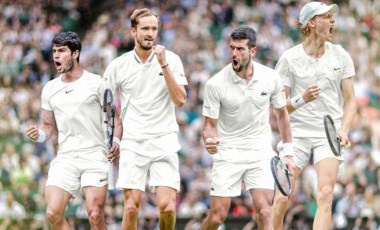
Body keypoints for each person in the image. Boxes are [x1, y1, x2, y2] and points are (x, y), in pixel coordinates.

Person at [271, 2, 357, 229]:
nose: (333, 21)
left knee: (326, 193)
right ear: (311, 23)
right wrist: (302, 99)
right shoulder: (289, 59)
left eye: (332, 17)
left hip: (328, 134)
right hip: (295, 133)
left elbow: (351, 102)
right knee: (281, 198)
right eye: (327, 17)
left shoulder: (341, 55)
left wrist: (345, 129)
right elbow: (278, 109)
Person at [201, 25, 295, 230]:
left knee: (264, 211)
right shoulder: (215, 84)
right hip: (227, 152)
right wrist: (209, 139)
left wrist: (288, 152)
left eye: (240, 49)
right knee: (217, 217)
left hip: (259, 151)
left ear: (253, 51)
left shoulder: (271, 77)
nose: (234, 53)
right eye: (232, 48)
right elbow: (209, 125)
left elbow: (282, 116)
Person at [25, 32, 121, 230]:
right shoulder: (50, 88)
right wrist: (40, 134)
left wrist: (117, 142)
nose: (56, 56)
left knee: (95, 215)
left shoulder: (98, 83)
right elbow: (47, 126)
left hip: (95, 155)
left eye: (62, 51)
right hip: (66, 157)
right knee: (53, 212)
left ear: (75, 53)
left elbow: (116, 121)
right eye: (54, 52)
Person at [103, 8, 187, 230]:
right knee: (131, 208)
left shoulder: (172, 60)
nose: (150, 33)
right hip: (133, 142)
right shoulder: (118, 66)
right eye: (145, 29)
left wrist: (163, 64)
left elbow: (180, 100)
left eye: (154, 29)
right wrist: (116, 138)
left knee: (167, 208)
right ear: (133, 31)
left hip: (164, 140)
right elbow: (106, 106)